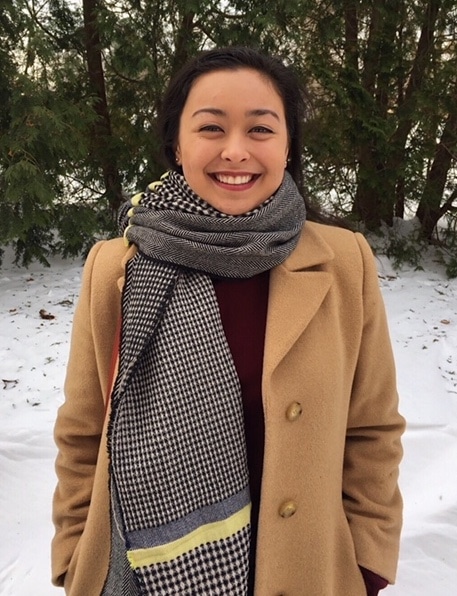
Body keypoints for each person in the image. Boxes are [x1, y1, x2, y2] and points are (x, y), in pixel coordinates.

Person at [51, 46, 405, 596]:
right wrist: (76, 553)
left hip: (312, 572)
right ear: (177, 144)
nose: (235, 152)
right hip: (142, 574)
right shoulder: (115, 268)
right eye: (211, 128)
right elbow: (82, 432)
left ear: (288, 146)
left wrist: (368, 560)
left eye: (261, 130)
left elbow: (372, 429)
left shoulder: (344, 262)